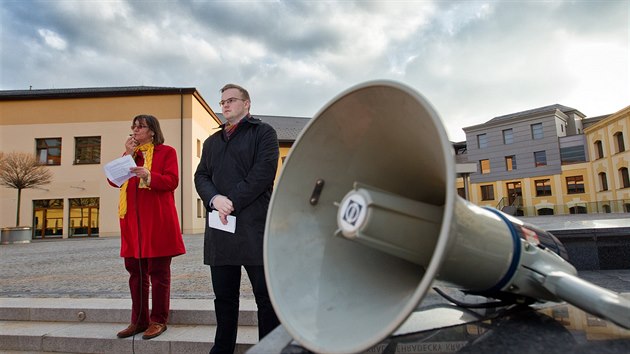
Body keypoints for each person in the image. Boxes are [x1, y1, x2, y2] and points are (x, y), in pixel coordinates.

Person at [195, 84, 280, 353]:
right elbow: (201, 176)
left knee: (266, 298)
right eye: (222, 102)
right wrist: (214, 200)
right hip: (221, 229)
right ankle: (222, 350)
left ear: (247, 104)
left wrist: (230, 200)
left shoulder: (263, 133)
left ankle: (269, 348)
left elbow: (264, 172)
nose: (225, 105)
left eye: (231, 100)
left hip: (254, 227)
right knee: (224, 298)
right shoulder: (212, 142)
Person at [109, 114, 186, 340]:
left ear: (152, 130)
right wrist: (128, 156)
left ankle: (158, 320)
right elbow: (114, 181)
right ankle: (139, 320)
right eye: (133, 126)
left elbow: (172, 181)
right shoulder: (131, 155)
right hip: (133, 224)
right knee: (136, 273)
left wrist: (150, 175)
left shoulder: (167, 152)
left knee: (159, 274)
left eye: (140, 127)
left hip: (158, 222)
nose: (135, 130)